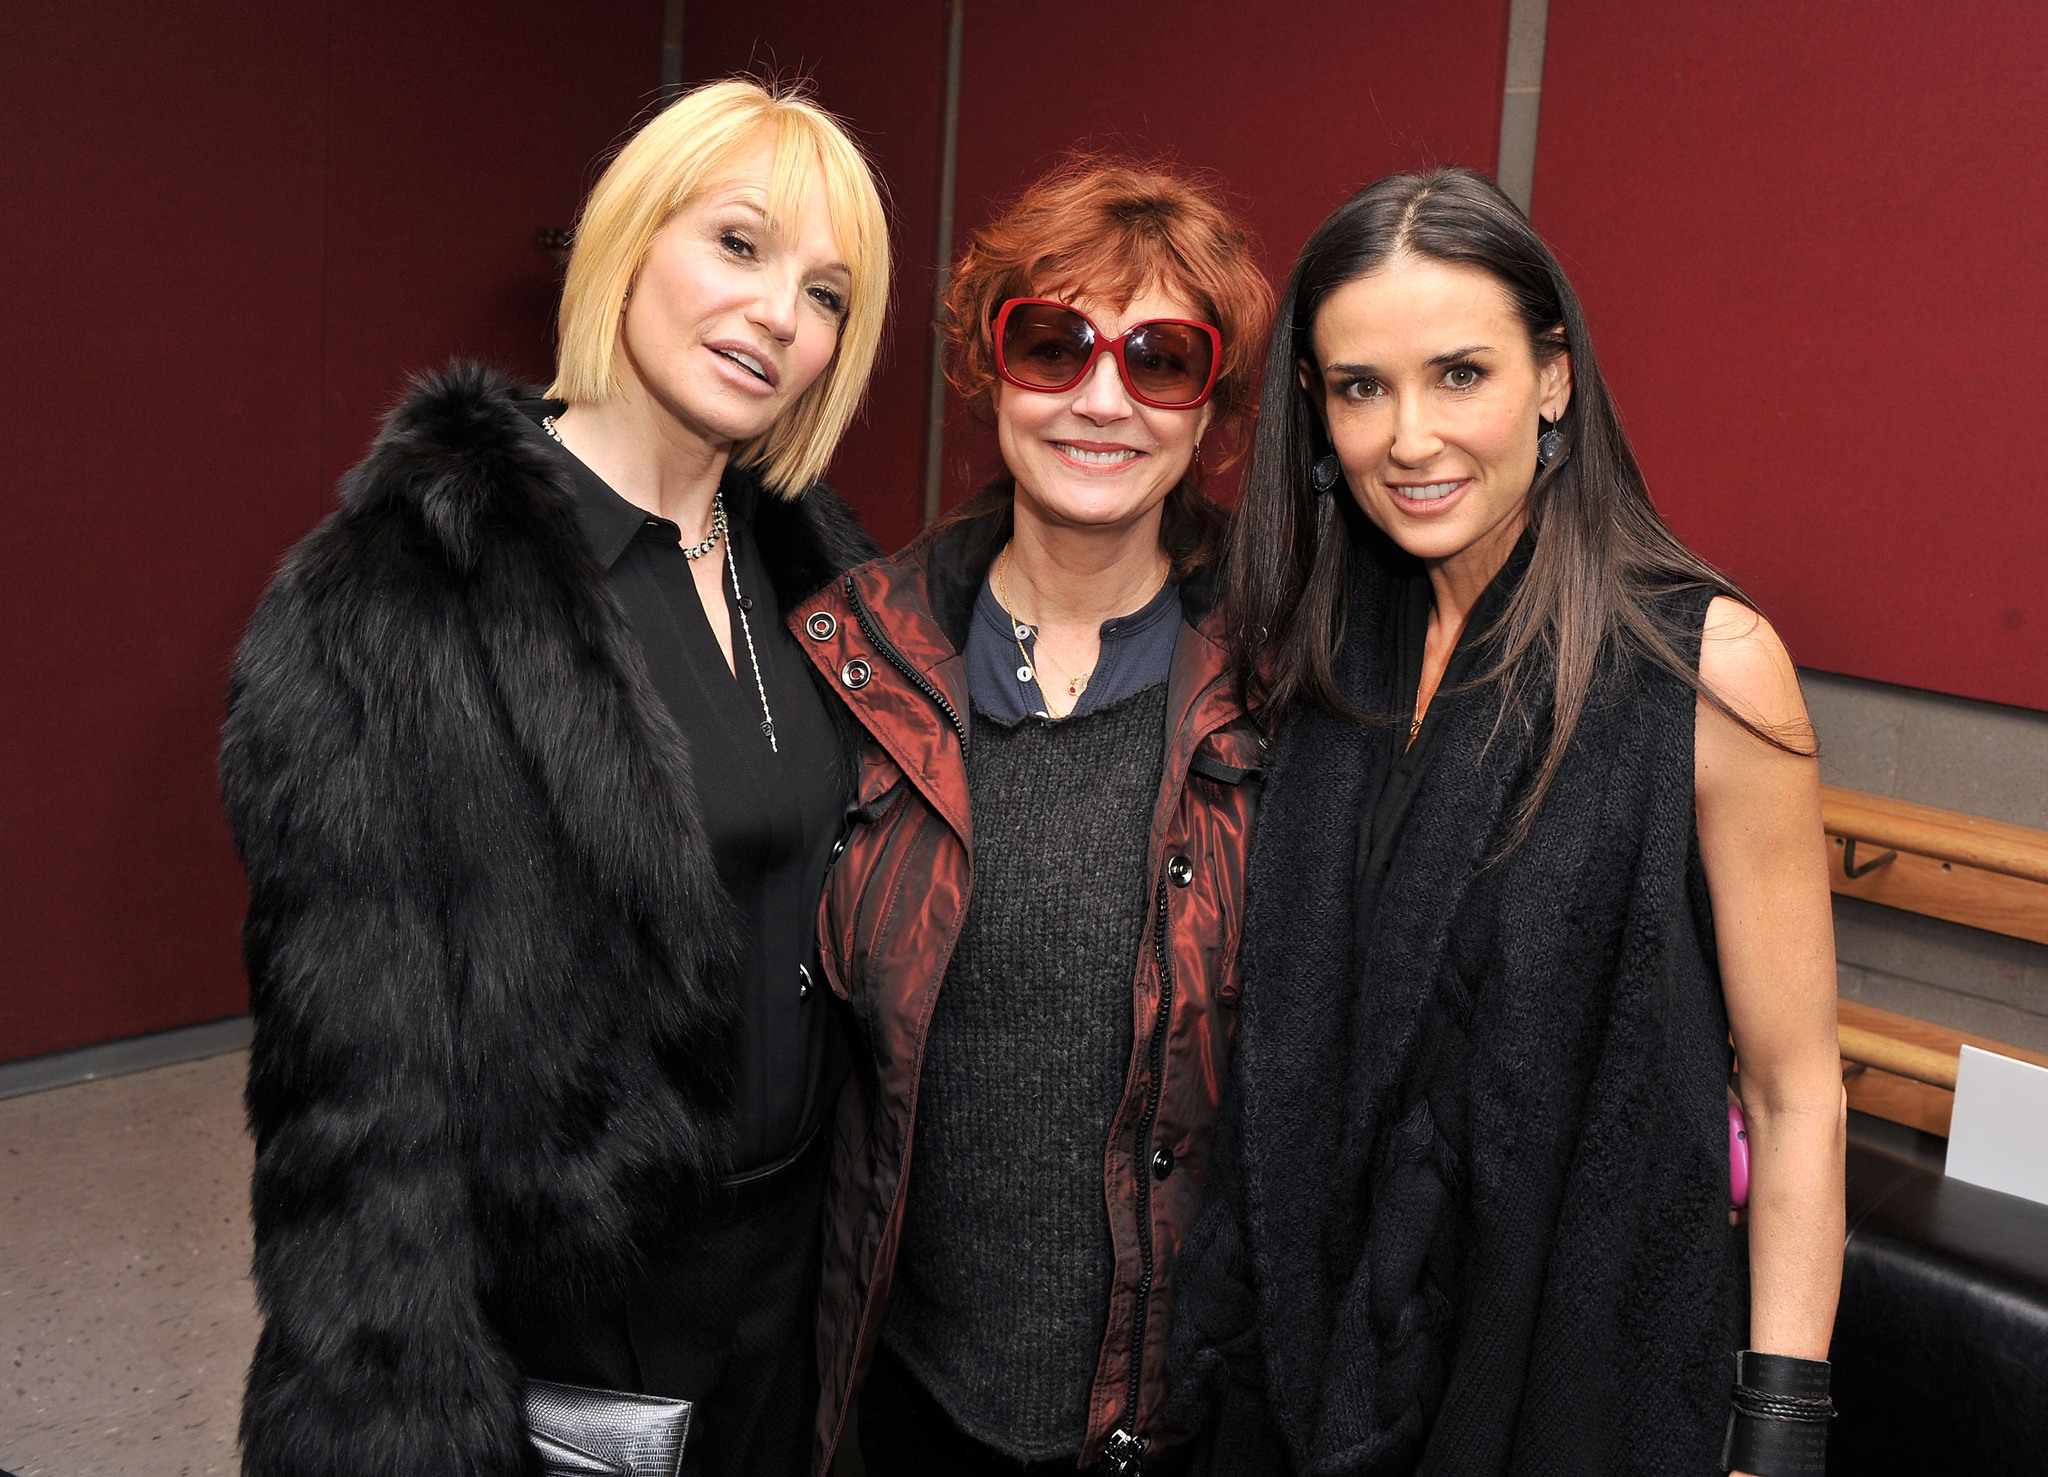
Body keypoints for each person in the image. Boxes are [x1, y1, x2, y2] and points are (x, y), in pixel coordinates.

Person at [220, 78, 889, 1477]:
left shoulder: (820, 564)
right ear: (630, 241)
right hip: (579, 1320)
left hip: (807, 1281)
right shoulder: (405, 594)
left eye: (828, 293)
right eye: (740, 245)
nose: (781, 314)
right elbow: (354, 1111)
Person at [1167, 167, 1846, 1477]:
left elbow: (1796, 1090)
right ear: (1316, 408)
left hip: (1584, 1383)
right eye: (1362, 387)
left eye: (1459, 374)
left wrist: (1781, 1429)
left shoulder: (1702, 666)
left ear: (1552, 378)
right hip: (1309, 1366)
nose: (1410, 436)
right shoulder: (1318, 654)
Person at [784, 158, 1273, 1477]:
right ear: (989, 365)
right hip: (906, 1400)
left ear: (1209, 410)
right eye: (1052, 343)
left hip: (1180, 1419)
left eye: (1161, 359)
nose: (1101, 398)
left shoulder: (1291, 686)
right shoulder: (852, 661)